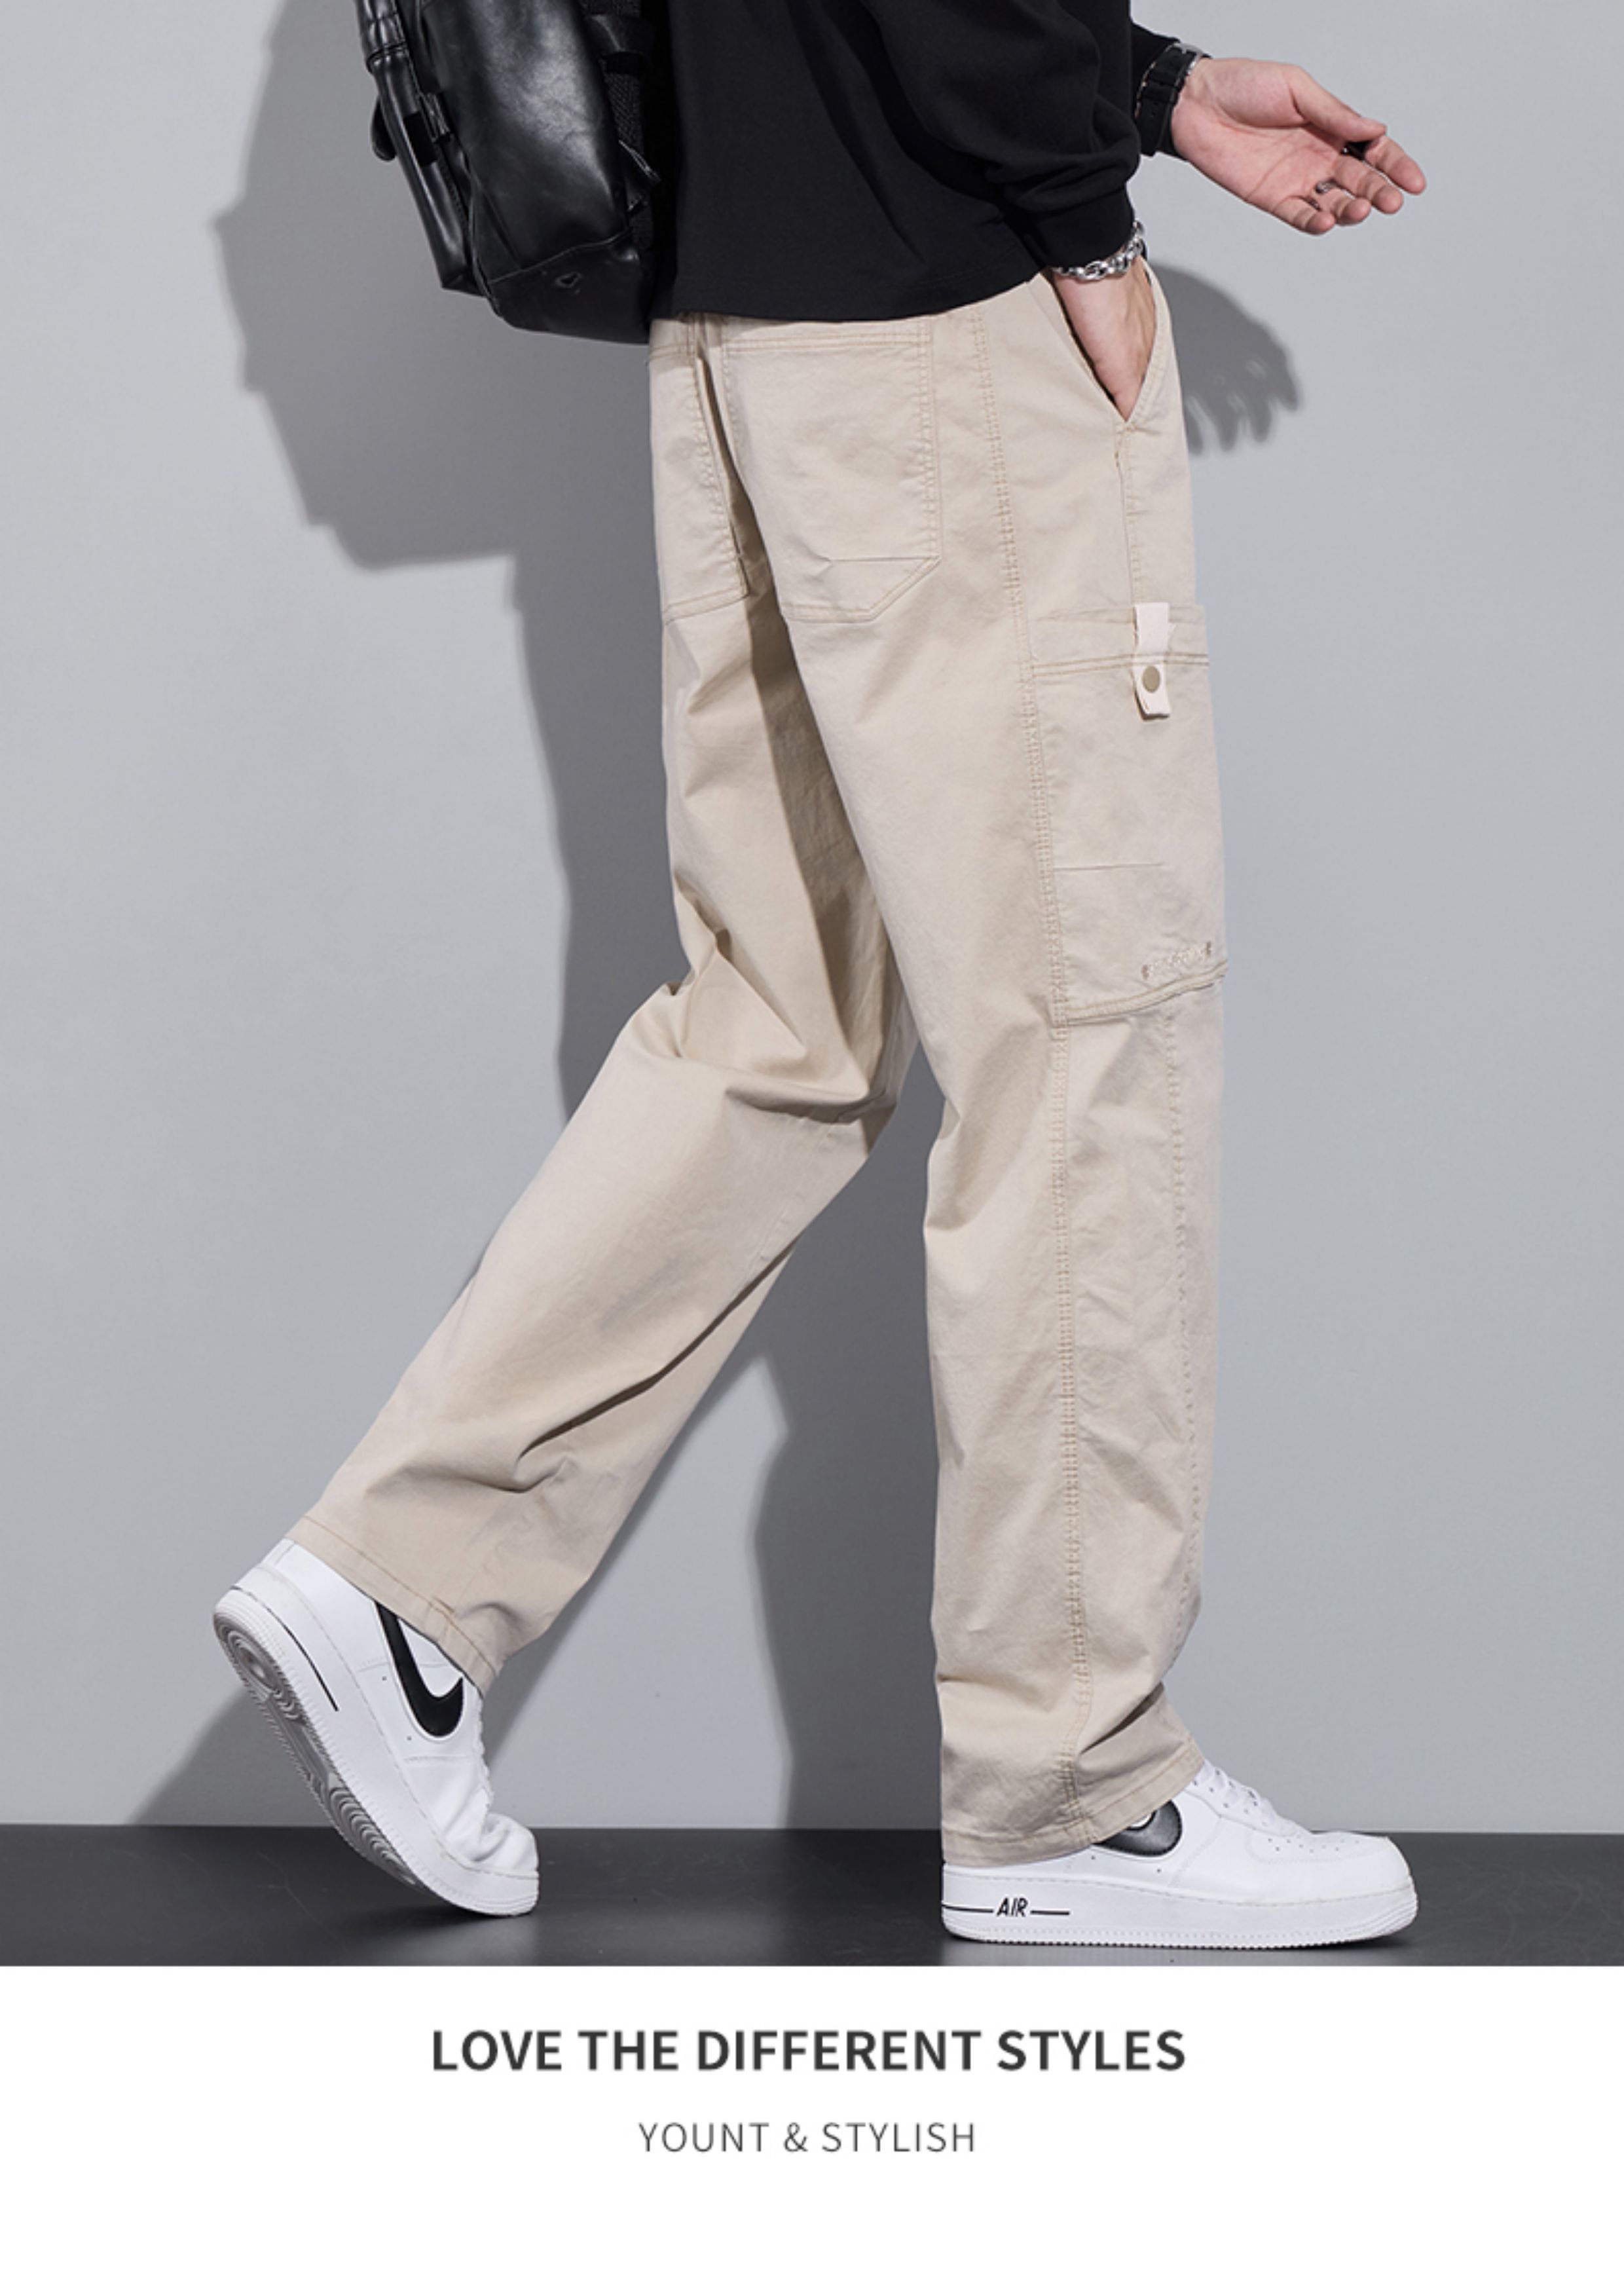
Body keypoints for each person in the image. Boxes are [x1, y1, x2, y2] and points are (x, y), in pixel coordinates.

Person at [214, 5, 1427, 1946]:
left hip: (741, 328)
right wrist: (1078, 204)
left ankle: (397, 1595)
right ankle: (1072, 1788)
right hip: (953, 314)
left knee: (774, 1027)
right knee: (1085, 1039)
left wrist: (1149, 89)